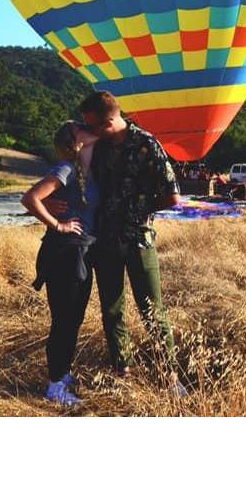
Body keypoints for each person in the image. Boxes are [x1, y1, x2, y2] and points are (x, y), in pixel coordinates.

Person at [79, 91, 185, 394]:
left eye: (95, 126)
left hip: (138, 240)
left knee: (152, 310)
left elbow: (172, 195)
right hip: (105, 242)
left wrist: (137, 209)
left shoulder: (147, 145)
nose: (91, 132)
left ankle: (169, 378)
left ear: (110, 120)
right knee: (112, 310)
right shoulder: (98, 146)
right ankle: (121, 371)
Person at [22, 121, 99, 408]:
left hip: (80, 252)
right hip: (65, 252)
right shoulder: (66, 169)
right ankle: (55, 386)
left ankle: (62, 374)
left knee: (73, 319)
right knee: (64, 320)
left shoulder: (88, 173)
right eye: (80, 127)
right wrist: (58, 224)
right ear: (73, 142)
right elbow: (30, 198)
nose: (86, 127)